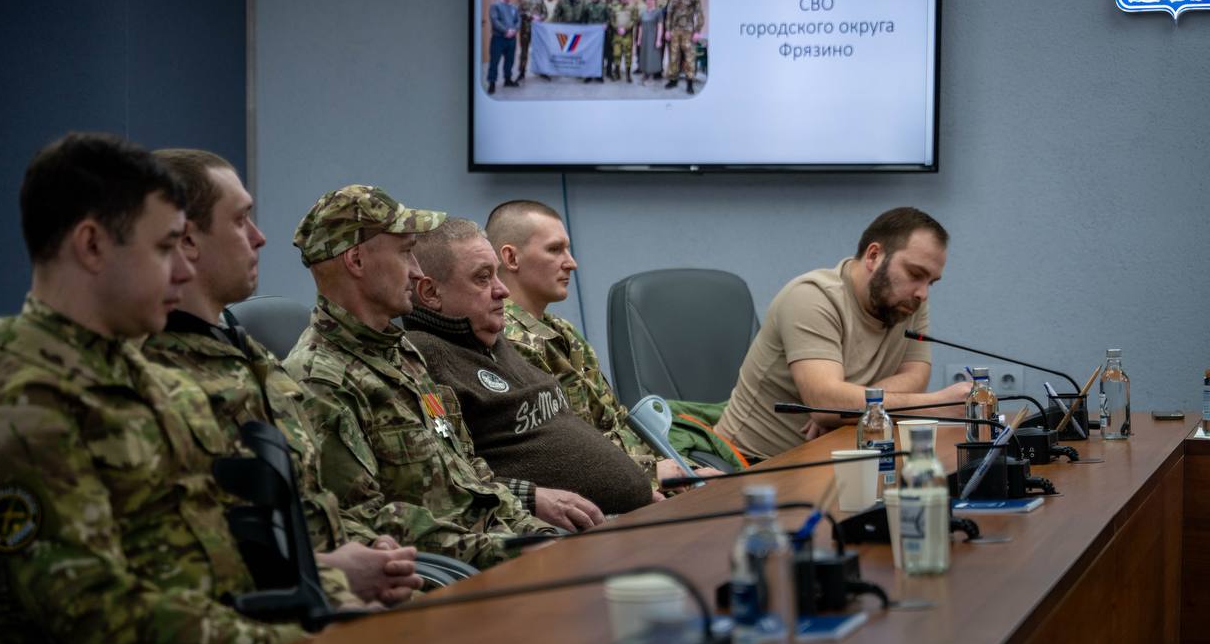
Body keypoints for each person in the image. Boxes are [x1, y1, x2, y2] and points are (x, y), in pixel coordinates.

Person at [0, 133, 320, 644]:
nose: (183, 271)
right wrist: (291, 643)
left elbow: (219, 554)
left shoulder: (142, 376)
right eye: (164, 248)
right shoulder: (21, 406)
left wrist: (326, 595)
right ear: (92, 246)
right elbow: (99, 622)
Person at [144, 149, 421, 607]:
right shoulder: (152, 377)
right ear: (188, 239)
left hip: (332, 596)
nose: (260, 238)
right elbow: (185, 561)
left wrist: (370, 545)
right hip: (279, 617)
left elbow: (312, 503)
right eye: (240, 221)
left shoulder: (246, 353)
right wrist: (333, 574)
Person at [283, 185, 567, 552]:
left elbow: (469, 473)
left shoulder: (401, 352)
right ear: (356, 261)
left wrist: (536, 533)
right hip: (454, 571)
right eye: (405, 253)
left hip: (499, 543)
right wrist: (512, 551)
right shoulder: (320, 382)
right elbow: (368, 527)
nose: (417, 272)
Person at [402, 218, 656, 518]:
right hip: (556, 529)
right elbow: (448, 476)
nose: (502, 291)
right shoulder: (424, 357)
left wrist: (637, 483)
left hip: (632, 510)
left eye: (497, 275)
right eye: (482, 278)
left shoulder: (491, 340)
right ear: (431, 293)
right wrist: (528, 497)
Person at [487, 200, 720, 491]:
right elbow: (558, 452)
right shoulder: (507, 341)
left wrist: (687, 470)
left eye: (567, 249)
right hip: (605, 494)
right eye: (555, 249)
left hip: (634, 479)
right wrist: (651, 475)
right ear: (511, 258)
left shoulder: (562, 330)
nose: (571, 262)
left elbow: (615, 423)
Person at [716, 207, 973, 460]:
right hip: (752, 461)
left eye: (931, 282)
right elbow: (826, 403)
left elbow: (916, 377)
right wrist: (933, 405)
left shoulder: (909, 302)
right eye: (915, 274)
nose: (923, 293)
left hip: (835, 456)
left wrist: (848, 409)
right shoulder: (811, 297)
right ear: (874, 256)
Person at [664, 0, 704, 94]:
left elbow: (700, 14)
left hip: (688, 32)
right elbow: (669, 15)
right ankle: (673, 80)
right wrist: (667, 30)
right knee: (673, 57)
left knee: (689, 57)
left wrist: (697, 31)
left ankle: (690, 83)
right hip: (675, 32)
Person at [487, 0, 520, 95]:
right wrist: (506, 31)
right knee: (494, 61)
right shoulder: (495, 5)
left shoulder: (514, 7)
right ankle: (492, 82)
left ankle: (507, 80)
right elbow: (495, 20)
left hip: (512, 39)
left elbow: (518, 20)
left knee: (510, 60)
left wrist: (514, 30)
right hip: (498, 38)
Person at [581, 0, 610, 83]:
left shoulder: (604, 6)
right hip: (589, 35)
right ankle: (588, 75)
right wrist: (585, 29)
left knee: (600, 55)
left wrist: (606, 24)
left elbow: (608, 18)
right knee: (589, 55)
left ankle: (599, 75)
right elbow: (583, 20)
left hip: (600, 35)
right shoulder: (587, 5)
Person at [517, 0, 544, 82]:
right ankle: (522, 72)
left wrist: (540, 17)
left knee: (539, 51)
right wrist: (531, 16)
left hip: (537, 31)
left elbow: (545, 13)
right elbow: (519, 12)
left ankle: (541, 71)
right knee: (524, 52)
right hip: (525, 30)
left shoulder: (540, 0)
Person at [610, 0, 638, 82]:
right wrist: (617, 28)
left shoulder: (632, 7)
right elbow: (612, 20)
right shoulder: (615, 8)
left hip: (627, 36)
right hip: (617, 35)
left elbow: (634, 20)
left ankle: (628, 75)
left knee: (628, 55)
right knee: (616, 54)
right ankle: (617, 74)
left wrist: (626, 29)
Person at [639, 0, 666, 80]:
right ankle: (645, 72)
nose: (649, 1)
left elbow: (660, 26)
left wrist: (658, 40)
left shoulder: (658, 12)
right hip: (644, 38)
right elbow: (640, 27)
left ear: (654, 0)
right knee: (644, 55)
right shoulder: (643, 12)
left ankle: (651, 74)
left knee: (652, 56)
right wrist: (639, 39)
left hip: (653, 37)